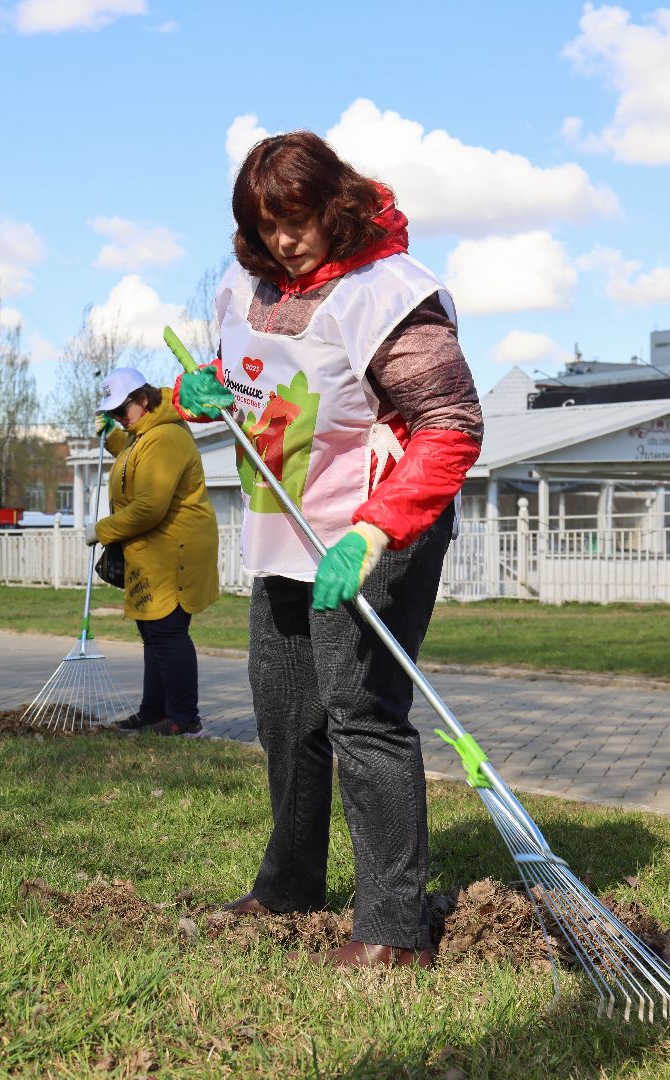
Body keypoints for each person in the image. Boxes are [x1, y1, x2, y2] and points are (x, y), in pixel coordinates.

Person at [175, 131, 483, 968]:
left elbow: (450, 426)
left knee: (360, 712)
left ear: (333, 203)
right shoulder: (246, 286)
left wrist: (374, 533)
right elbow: (244, 378)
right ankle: (288, 884)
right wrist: (193, 392)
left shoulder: (388, 293)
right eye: (264, 225)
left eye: (297, 219)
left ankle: (392, 927)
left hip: (375, 529)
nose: (283, 240)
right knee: (283, 712)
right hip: (285, 527)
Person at [86, 367, 220, 736]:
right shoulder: (145, 434)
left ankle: (184, 720)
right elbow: (133, 460)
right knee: (153, 633)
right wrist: (112, 436)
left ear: (143, 400)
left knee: (168, 632)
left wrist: (101, 531)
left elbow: (149, 507)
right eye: (111, 414)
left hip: (175, 550)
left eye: (120, 412)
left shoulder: (165, 438)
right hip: (154, 550)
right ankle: (154, 712)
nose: (118, 419)